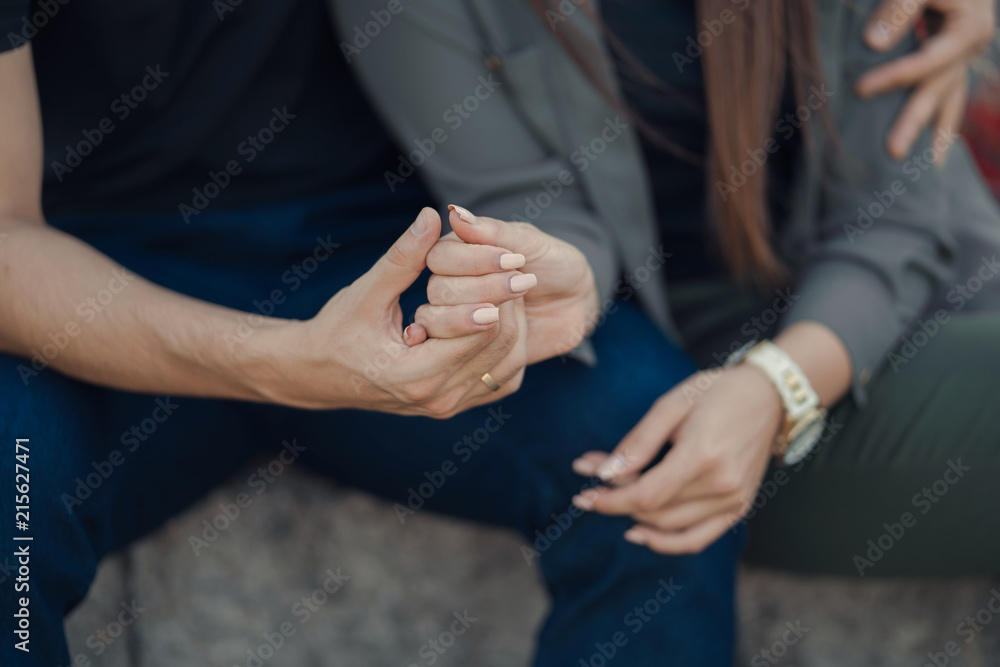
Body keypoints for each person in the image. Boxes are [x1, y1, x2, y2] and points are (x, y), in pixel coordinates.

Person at [0, 3, 991, 667]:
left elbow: (538, 195)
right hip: (107, 290)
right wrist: (279, 360)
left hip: (406, 261)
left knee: (635, 451)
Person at [331, 0, 1000, 581]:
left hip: (908, 298)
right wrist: (555, 272)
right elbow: (532, 203)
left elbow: (890, 217)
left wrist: (780, 384)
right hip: (699, 365)